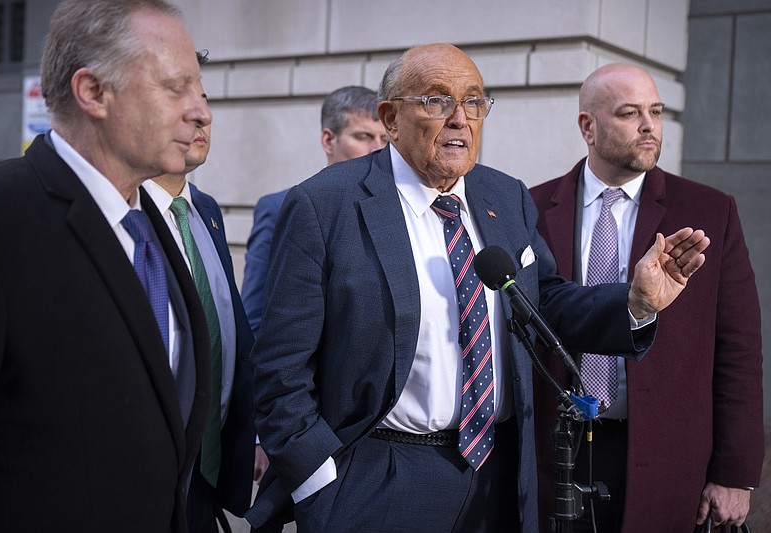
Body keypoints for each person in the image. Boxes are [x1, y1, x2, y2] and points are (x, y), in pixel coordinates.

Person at [244, 43, 709, 533]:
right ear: (391, 118)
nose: (460, 118)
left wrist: (634, 302)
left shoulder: (504, 196)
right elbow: (279, 369)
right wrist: (320, 480)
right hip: (378, 478)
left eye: (473, 101)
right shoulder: (326, 205)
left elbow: (541, 303)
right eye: (436, 100)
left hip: (499, 479)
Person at [0, 1, 213, 531]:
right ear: (94, 92)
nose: (202, 111)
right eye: (176, 88)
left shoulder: (155, 220)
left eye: (199, 88)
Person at [530, 63, 763, 532]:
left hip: (664, 454)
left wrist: (735, 474)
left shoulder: (709, 211)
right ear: (587, 126)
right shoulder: (530, 207)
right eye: (629, 113)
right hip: (553, 451)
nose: (649, 126)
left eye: (655, 111)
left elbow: (738, 347)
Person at [145, 50, 258, 533]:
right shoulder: (120, 217)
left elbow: (229, 332)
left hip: (205, 483)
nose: (201, 115)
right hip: (144, 480)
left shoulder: (206, 211)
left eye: (204, 98)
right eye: (178, 97)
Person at [242, 85, 387, 336]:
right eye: (363, 136)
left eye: (384, 139)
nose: (378, 149)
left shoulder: (394, 211)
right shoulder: (279, 208)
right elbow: (255, 317)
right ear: (329, 140)